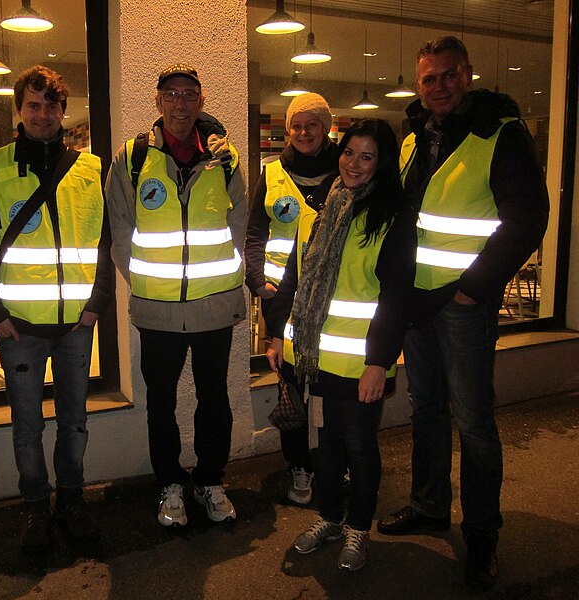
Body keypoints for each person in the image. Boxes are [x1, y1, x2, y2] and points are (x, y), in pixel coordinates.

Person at [376, 37, 549, 591]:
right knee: (427, 407)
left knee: (474, 420)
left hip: (463, 304)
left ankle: (482, 534)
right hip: (419, 303)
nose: (438, 87)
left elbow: (527, 218)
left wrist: (474, 287)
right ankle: (429, 506)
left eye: (448, 76)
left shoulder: (499, 134)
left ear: (468, 75)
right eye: (429, 79)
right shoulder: (413, 138)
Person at [0, 65, 114, 553]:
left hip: (76, 324)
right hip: (20, 327)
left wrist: (96, 304)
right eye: (33, 105)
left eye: (51, 105)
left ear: (63, 111)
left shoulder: (91, 168)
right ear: (19, 110)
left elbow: (106, 241)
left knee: (74, 421)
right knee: (27, 425)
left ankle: (71, 500)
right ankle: (35, 507)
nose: (43, 114)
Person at [266, 119, 417, 572]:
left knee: (358, 444)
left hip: (361, 361)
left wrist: (379, 362)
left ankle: (357, 528)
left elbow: (396, 296)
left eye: (366, 156)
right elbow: (297, 274)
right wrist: (280, 335)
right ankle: (330, 518)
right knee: (327, 445)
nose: (353, 164)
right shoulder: (327, 204)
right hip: (316, 357)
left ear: (382, 163)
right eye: (349, 153)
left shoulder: (393, 216)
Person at [105, 63, 247, 527]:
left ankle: (210, 480)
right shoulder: (132, 157)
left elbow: (239, 224)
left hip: (214, 306)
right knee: (161, 402)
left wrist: (226, 278)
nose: (180, 103)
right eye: (171, 94)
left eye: (189, 94)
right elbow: (120, 229)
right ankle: (169, 483)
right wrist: (146, 282)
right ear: (158, 102)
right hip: (157, 310)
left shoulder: (226, 158)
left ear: (200, 101)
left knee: (214, 400)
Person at [245, 92, 338, 505]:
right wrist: (256, 279)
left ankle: (337, 465)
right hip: (283, 302)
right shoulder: (273, 173)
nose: (303, 132)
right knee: (291, 389)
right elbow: (255, 234)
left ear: (326, 126)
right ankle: (299, 465)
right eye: (296, 125)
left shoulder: (346, 169)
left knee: (337, 389)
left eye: (312, 124)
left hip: (338, 302)